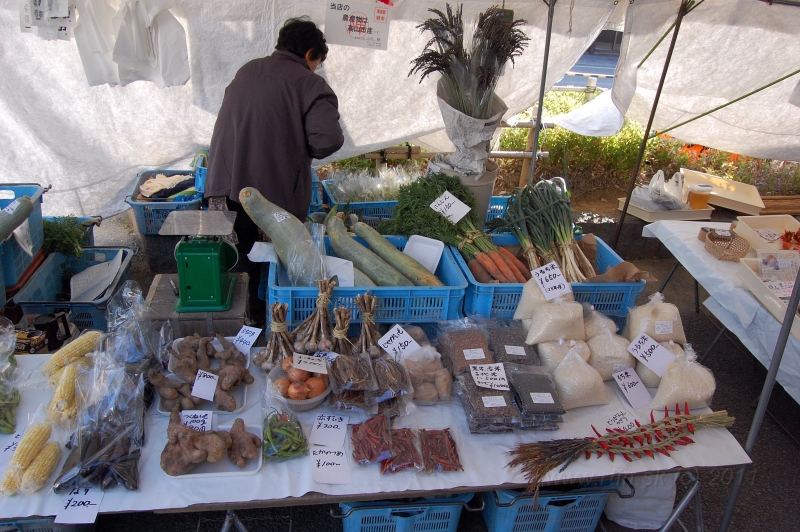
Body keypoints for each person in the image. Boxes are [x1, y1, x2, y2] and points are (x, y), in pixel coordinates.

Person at [204, 17, 344, 324]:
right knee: (271, 270)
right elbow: (327, 141)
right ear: (310, 54)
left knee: (238, 268)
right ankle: (270, 327)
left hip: (223, 190)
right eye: (317, 62)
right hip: (268, 200)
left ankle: (243, 329)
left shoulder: (247, 71)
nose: (316, 69)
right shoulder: (309, 83)